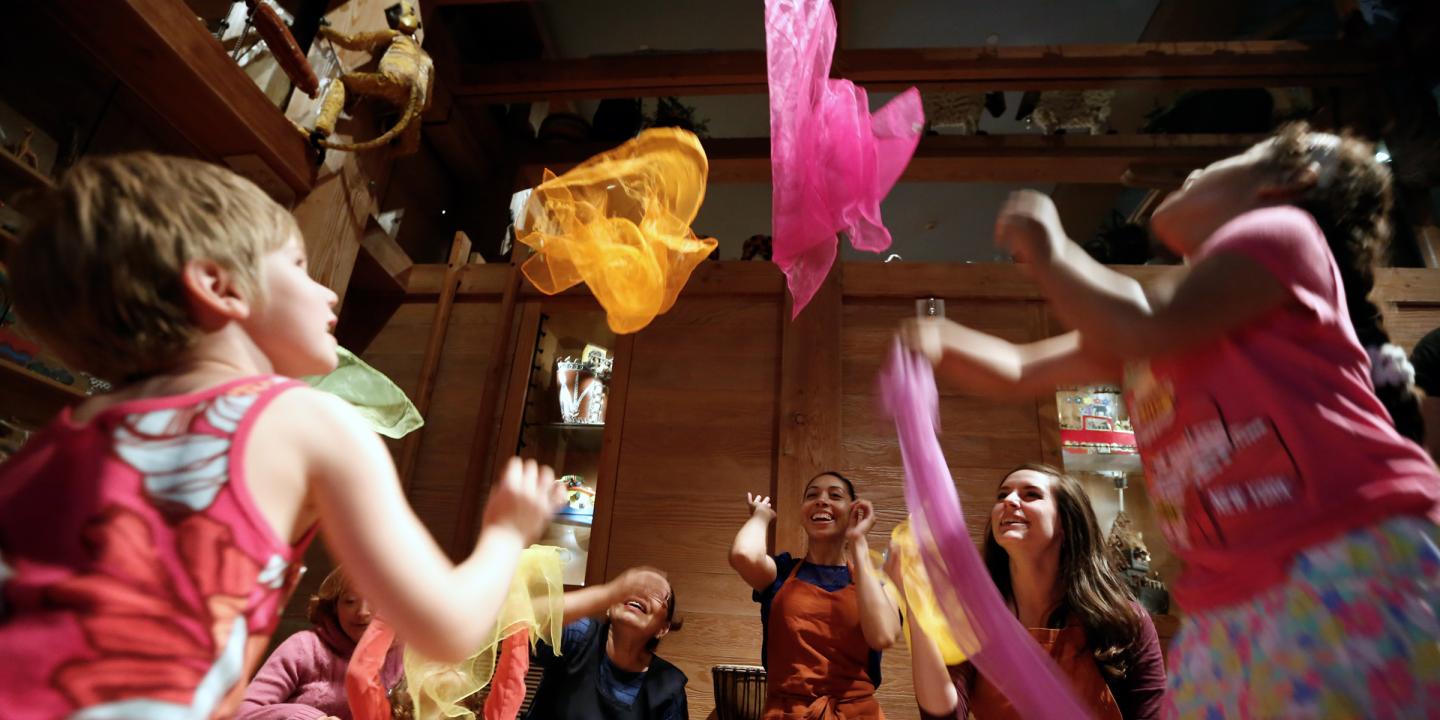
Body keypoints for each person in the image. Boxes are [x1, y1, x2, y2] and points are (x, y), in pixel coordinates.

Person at [898, 123, 1440, 717]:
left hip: (1349, 561)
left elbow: (1140, 323)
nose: (1197, 170)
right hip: (1228, 604)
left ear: (1289, 180)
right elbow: (1019, 370)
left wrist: (1051, 253)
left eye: (1234, 155)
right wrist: (935, 345)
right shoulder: (1154, 324)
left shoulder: (1286, 233)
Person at [0, 153, 566, 718]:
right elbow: (449, 629)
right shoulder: (306, 420)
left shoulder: (59, 438)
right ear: (219, 286)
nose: (328, 295)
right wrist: (506, 531)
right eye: (298, 267)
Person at [893, 465, 1165, 720]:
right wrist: (915, 601)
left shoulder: (1125, 621)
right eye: (1002, 495)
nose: (1008, 501)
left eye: (1031, 494)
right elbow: (944, 716)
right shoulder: (971, 619)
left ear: (1066, 524)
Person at [730, 471, 901, 719]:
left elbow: (883, 636)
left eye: (835, 495)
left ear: (854, 511)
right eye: (812, 495)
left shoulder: (877, 584)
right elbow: (743, 555)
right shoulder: (781, 573)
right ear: (803, 512)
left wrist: (858, 541)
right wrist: (761, 515)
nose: (822, 500)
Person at [238, 566, 401, 719]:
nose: (362, 612)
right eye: (350, 601)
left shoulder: (408, 655)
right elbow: (241, 712)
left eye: (373, 600)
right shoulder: (303, 647)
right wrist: (306, 717)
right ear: (333, 607)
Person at [525, 566, 687, 719]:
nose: (643, 593)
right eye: (635, 587)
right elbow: (518, 622)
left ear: (662, 628)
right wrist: (607, 593)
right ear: (609, 608)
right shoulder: (579, 635)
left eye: (657, 593)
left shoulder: (668, 684)